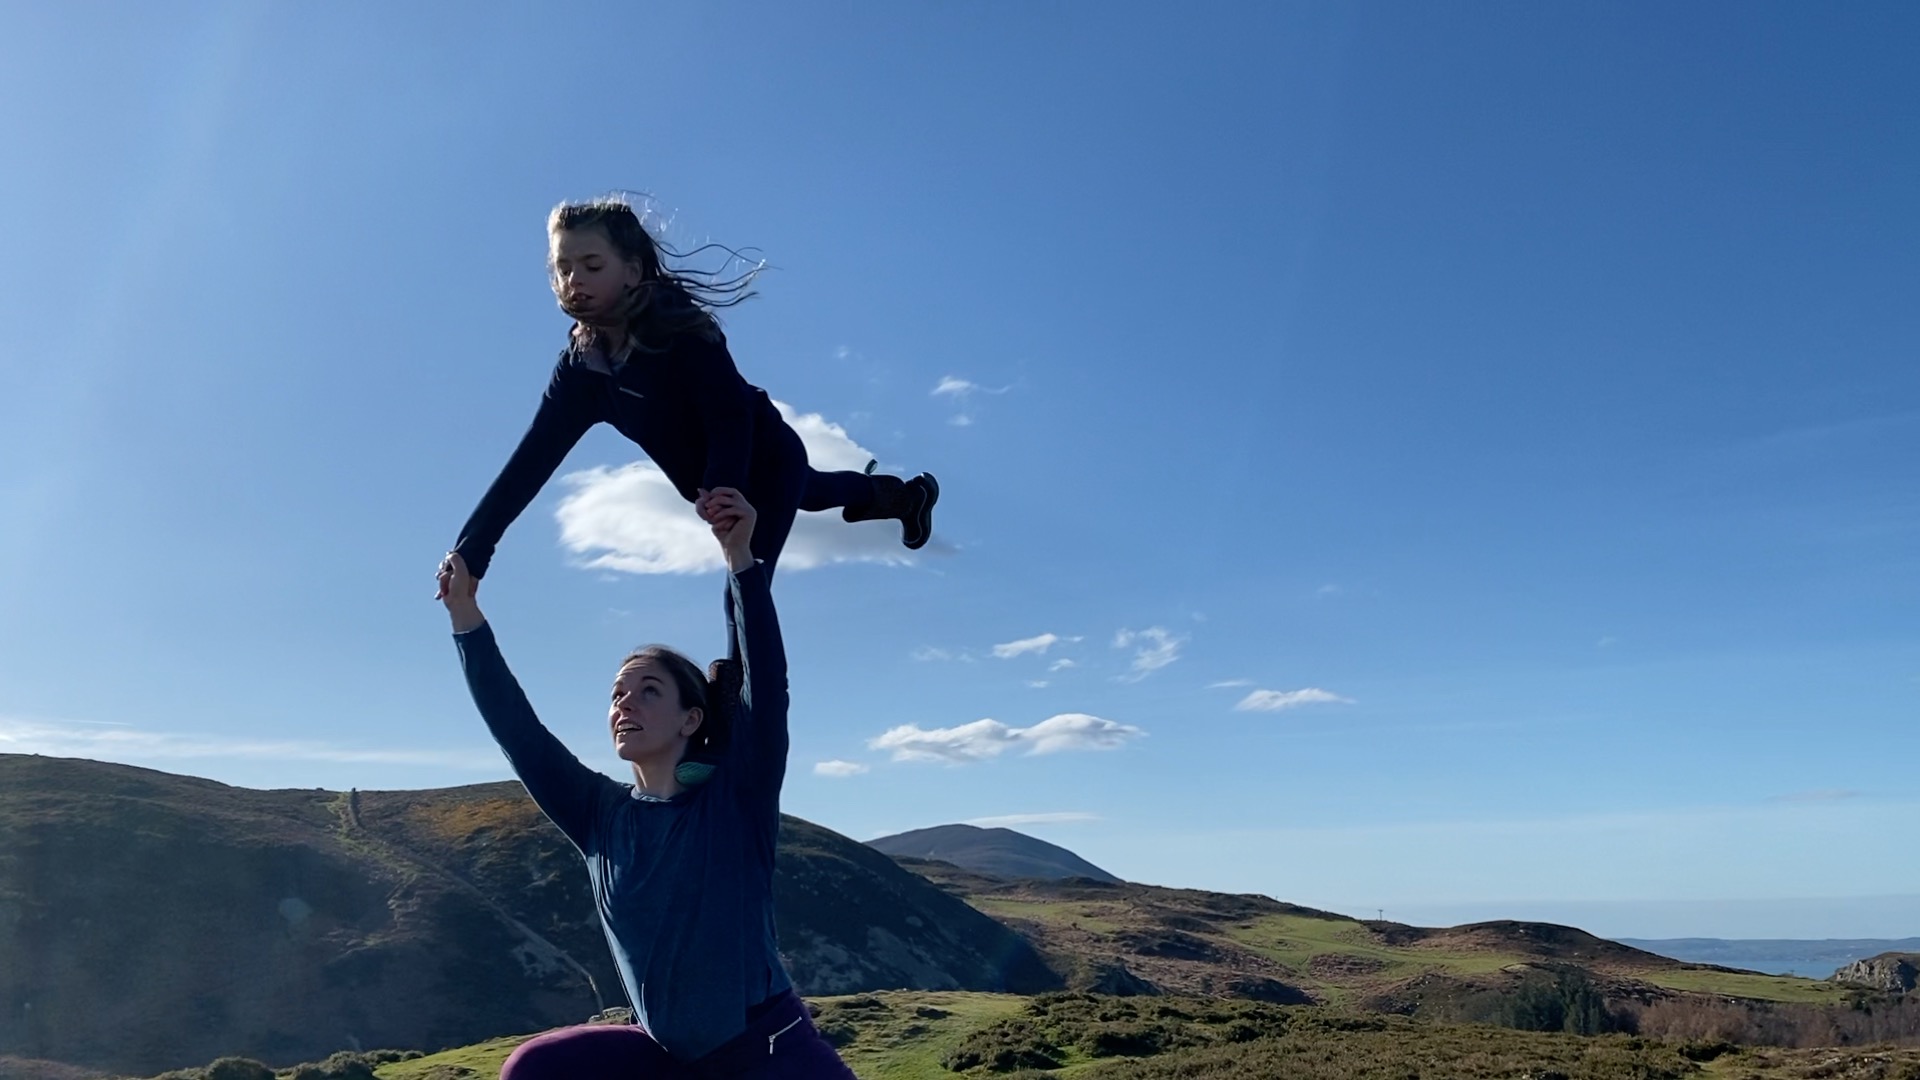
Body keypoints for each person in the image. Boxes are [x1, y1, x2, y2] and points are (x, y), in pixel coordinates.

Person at [436, 487, 856, 1079]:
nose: (624, 703)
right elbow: (518, 732)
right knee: (534, 1068)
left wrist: (741, 559)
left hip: (769, 1056)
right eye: (617, 694)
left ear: (692, 719)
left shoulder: (736, 801)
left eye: (647, 690)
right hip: (669, 1059)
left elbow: (769, 685)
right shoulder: (599, 817)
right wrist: (465, 620)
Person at [448, 195, 937, 585]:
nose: (574, 280)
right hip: (717, 485)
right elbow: (530, 461)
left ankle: (733, 694)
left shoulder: (681, 330)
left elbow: (728, 414)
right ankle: (898, 497)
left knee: (747, 581)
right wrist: (473, 551)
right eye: (564, 267)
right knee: (815, 491)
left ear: (633, 271)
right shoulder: (581, 372)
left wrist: (725, 488)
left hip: (761, 456)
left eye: (592, 266)